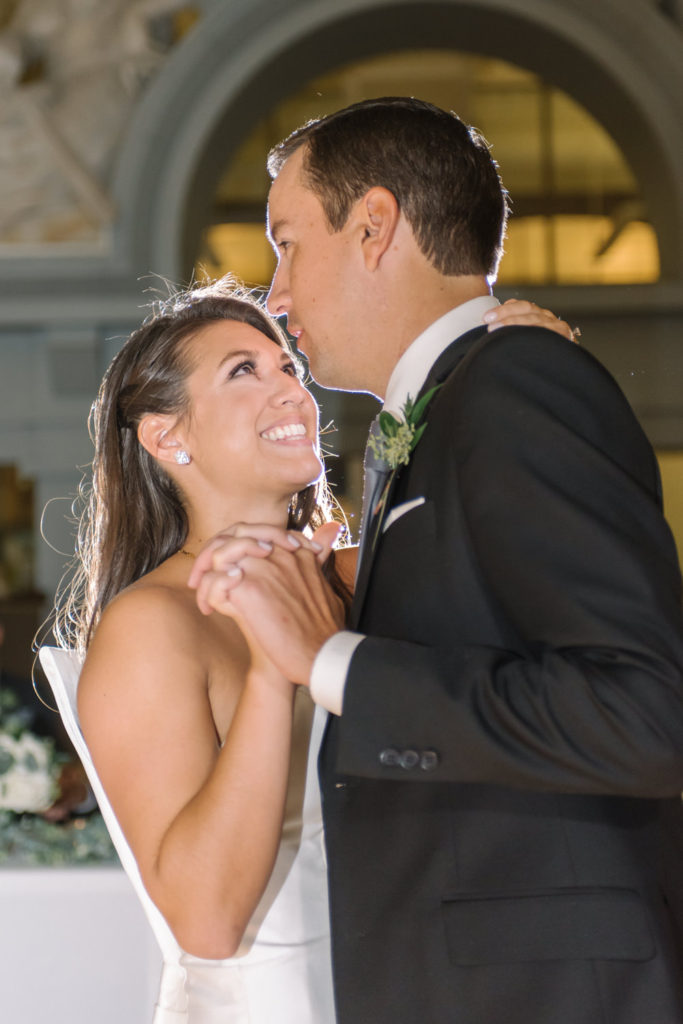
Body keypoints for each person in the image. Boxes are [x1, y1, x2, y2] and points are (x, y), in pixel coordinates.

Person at [189, 98, 683, 1024]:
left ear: (373, 226)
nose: (275, 295)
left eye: (287, 245)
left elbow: (644, 712)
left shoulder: (517, 384)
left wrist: (332, 664)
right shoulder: (446, 412)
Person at [41, 268, 567, 1021]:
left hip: (421, 985)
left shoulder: (368, 572)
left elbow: (538, 619)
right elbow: (206, 922)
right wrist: (273, 663)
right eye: (243, 372)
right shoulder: (152, 625)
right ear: (166, 436)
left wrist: (541, 394)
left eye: (288, 367)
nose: (292, 390)